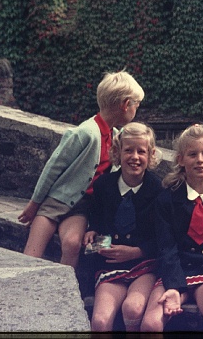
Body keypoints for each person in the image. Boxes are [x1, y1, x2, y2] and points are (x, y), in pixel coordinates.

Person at [17, 70, 144, 268]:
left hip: (82, 207)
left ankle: (63, 291)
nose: (137, 108)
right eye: (136, 104)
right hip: (55, 201)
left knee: (72, 243)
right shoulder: (86, 133)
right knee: (31, 255)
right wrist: (35, 204)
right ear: (126, 104)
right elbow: (53, 167)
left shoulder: (116, 136)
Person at [140, 124, 203, 333]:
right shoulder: (166, 200)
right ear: (180, 160)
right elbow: (166, 247)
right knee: (151, 324)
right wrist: (174, 288)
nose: (200, 160)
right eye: (192, 154)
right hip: (175, 271)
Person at [83, 122, 163, 332]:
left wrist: (138, 251)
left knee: (133, 308)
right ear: (118, 152)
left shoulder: (159, 191)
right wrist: (93, 230)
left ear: (151, 155)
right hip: (110, 266)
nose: (134, 157)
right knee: (100, 322)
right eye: (128, 150)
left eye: (141, 151)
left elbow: (165, 238)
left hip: (143, 265)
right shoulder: (103, 186)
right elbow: (98, 218)